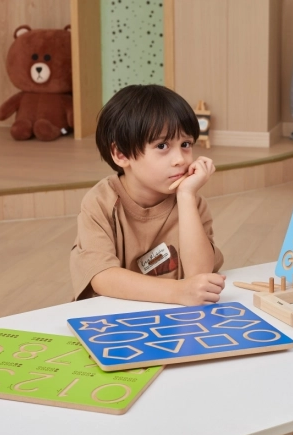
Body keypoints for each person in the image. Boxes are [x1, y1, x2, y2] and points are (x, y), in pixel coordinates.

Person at [70, 84, 225, 305]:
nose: (180, 159)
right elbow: (102, 276)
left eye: (186, 144)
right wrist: (178, 292)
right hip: (112, 319)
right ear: (121, 154)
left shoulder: (191, 202)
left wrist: (186, 197)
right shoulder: (100, 202)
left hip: (172, 319)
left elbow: (199, 274)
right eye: (162, 145)